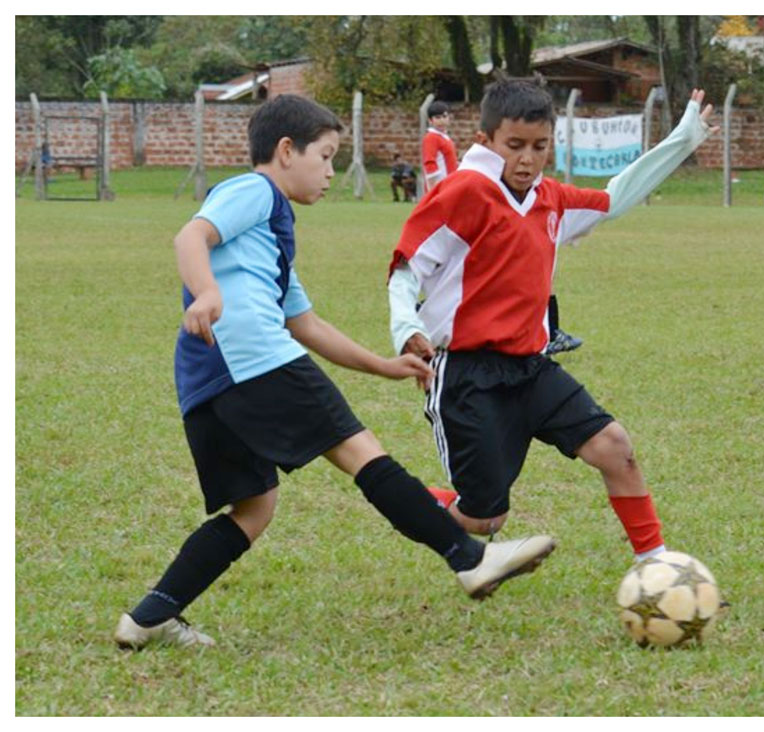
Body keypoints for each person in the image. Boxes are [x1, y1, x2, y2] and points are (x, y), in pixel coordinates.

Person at [113, 95, 555, 651]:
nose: (330, 172)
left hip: (209, 379)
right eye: (324, 157)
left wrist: (384, 367)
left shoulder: (271, 240)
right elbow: (190, 236)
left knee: (254, 508)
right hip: (255, 358)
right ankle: (468, 557)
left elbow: (305, 323)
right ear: (285, 151)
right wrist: (205, 292)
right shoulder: (252, 190)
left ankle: (151, 614)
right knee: (359, 452)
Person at [387, 81, 717, 564]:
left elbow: (617, 198)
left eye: (539, 146)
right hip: (466, 376)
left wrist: (683, 139)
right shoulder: (465, 192)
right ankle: (405, 499)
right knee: (484, 520)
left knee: (615, 447)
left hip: (531, 368)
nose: (527, 159)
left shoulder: (552, 200)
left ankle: (657, 567)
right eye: (514, 145)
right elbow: (406, 267)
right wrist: (404, 330)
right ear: (486, 141)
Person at [422, 101, 458, 192]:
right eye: (437, 117)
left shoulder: (444, 137)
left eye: (444, 116)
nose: (442, 120)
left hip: (450, 183)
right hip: (440, 186)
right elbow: (429, 163)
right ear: (430, 120)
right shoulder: (431, 137)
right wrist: (434, 190)